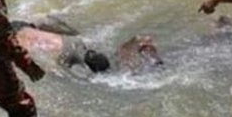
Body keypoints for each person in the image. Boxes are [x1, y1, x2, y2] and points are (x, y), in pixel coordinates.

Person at [13, 20, 162, 73]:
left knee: (111, 74)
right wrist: (77, 34)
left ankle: (135, 46)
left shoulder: (3, 41)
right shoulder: (17, 25)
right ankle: (137, 44)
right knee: (110, 68)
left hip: (58, 57)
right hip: (68, 43)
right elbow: (47, 22)